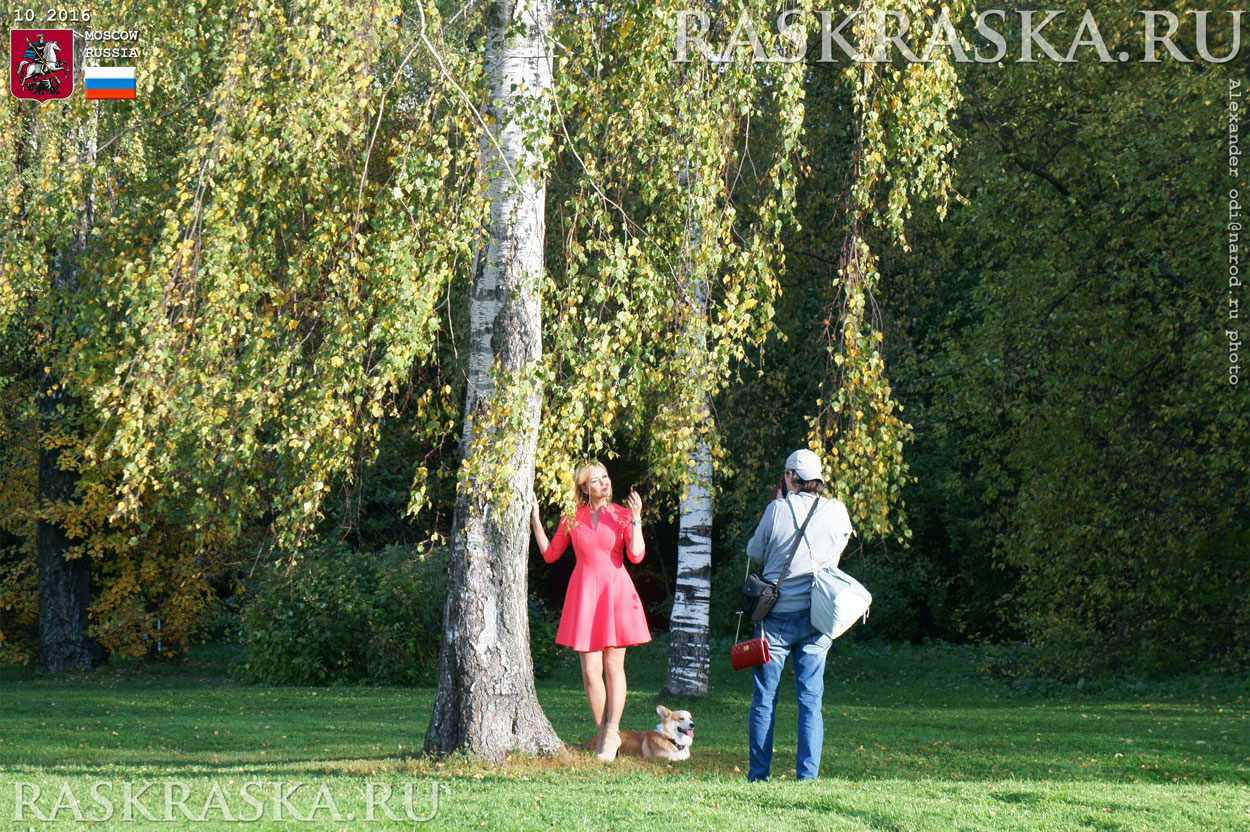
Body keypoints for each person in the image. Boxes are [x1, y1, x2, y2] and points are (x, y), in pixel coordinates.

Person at [745, 448, 853, 782]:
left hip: (775, 617)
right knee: (810, 701)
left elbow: (754, 552)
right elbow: (841, 543)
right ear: (818, 481)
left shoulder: (776, 509)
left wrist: (780, 505)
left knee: (765, 699)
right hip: (817, 617)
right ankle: (807, 777)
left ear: (791, 477)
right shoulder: (837, 511)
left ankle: (759, 775)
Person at [530, 461, 649, 760]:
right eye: (596, 481)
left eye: (606, 478)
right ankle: (603, 734)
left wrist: (636, 519)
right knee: (590, 672)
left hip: (616, 594)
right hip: (585, 596)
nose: (604, 484)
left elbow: (635, 555)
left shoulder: (621, 514)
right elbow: (550, 554)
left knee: (613, 668)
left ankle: (613, 731)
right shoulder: (572, 516)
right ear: (585, 487)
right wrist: (535, 519)